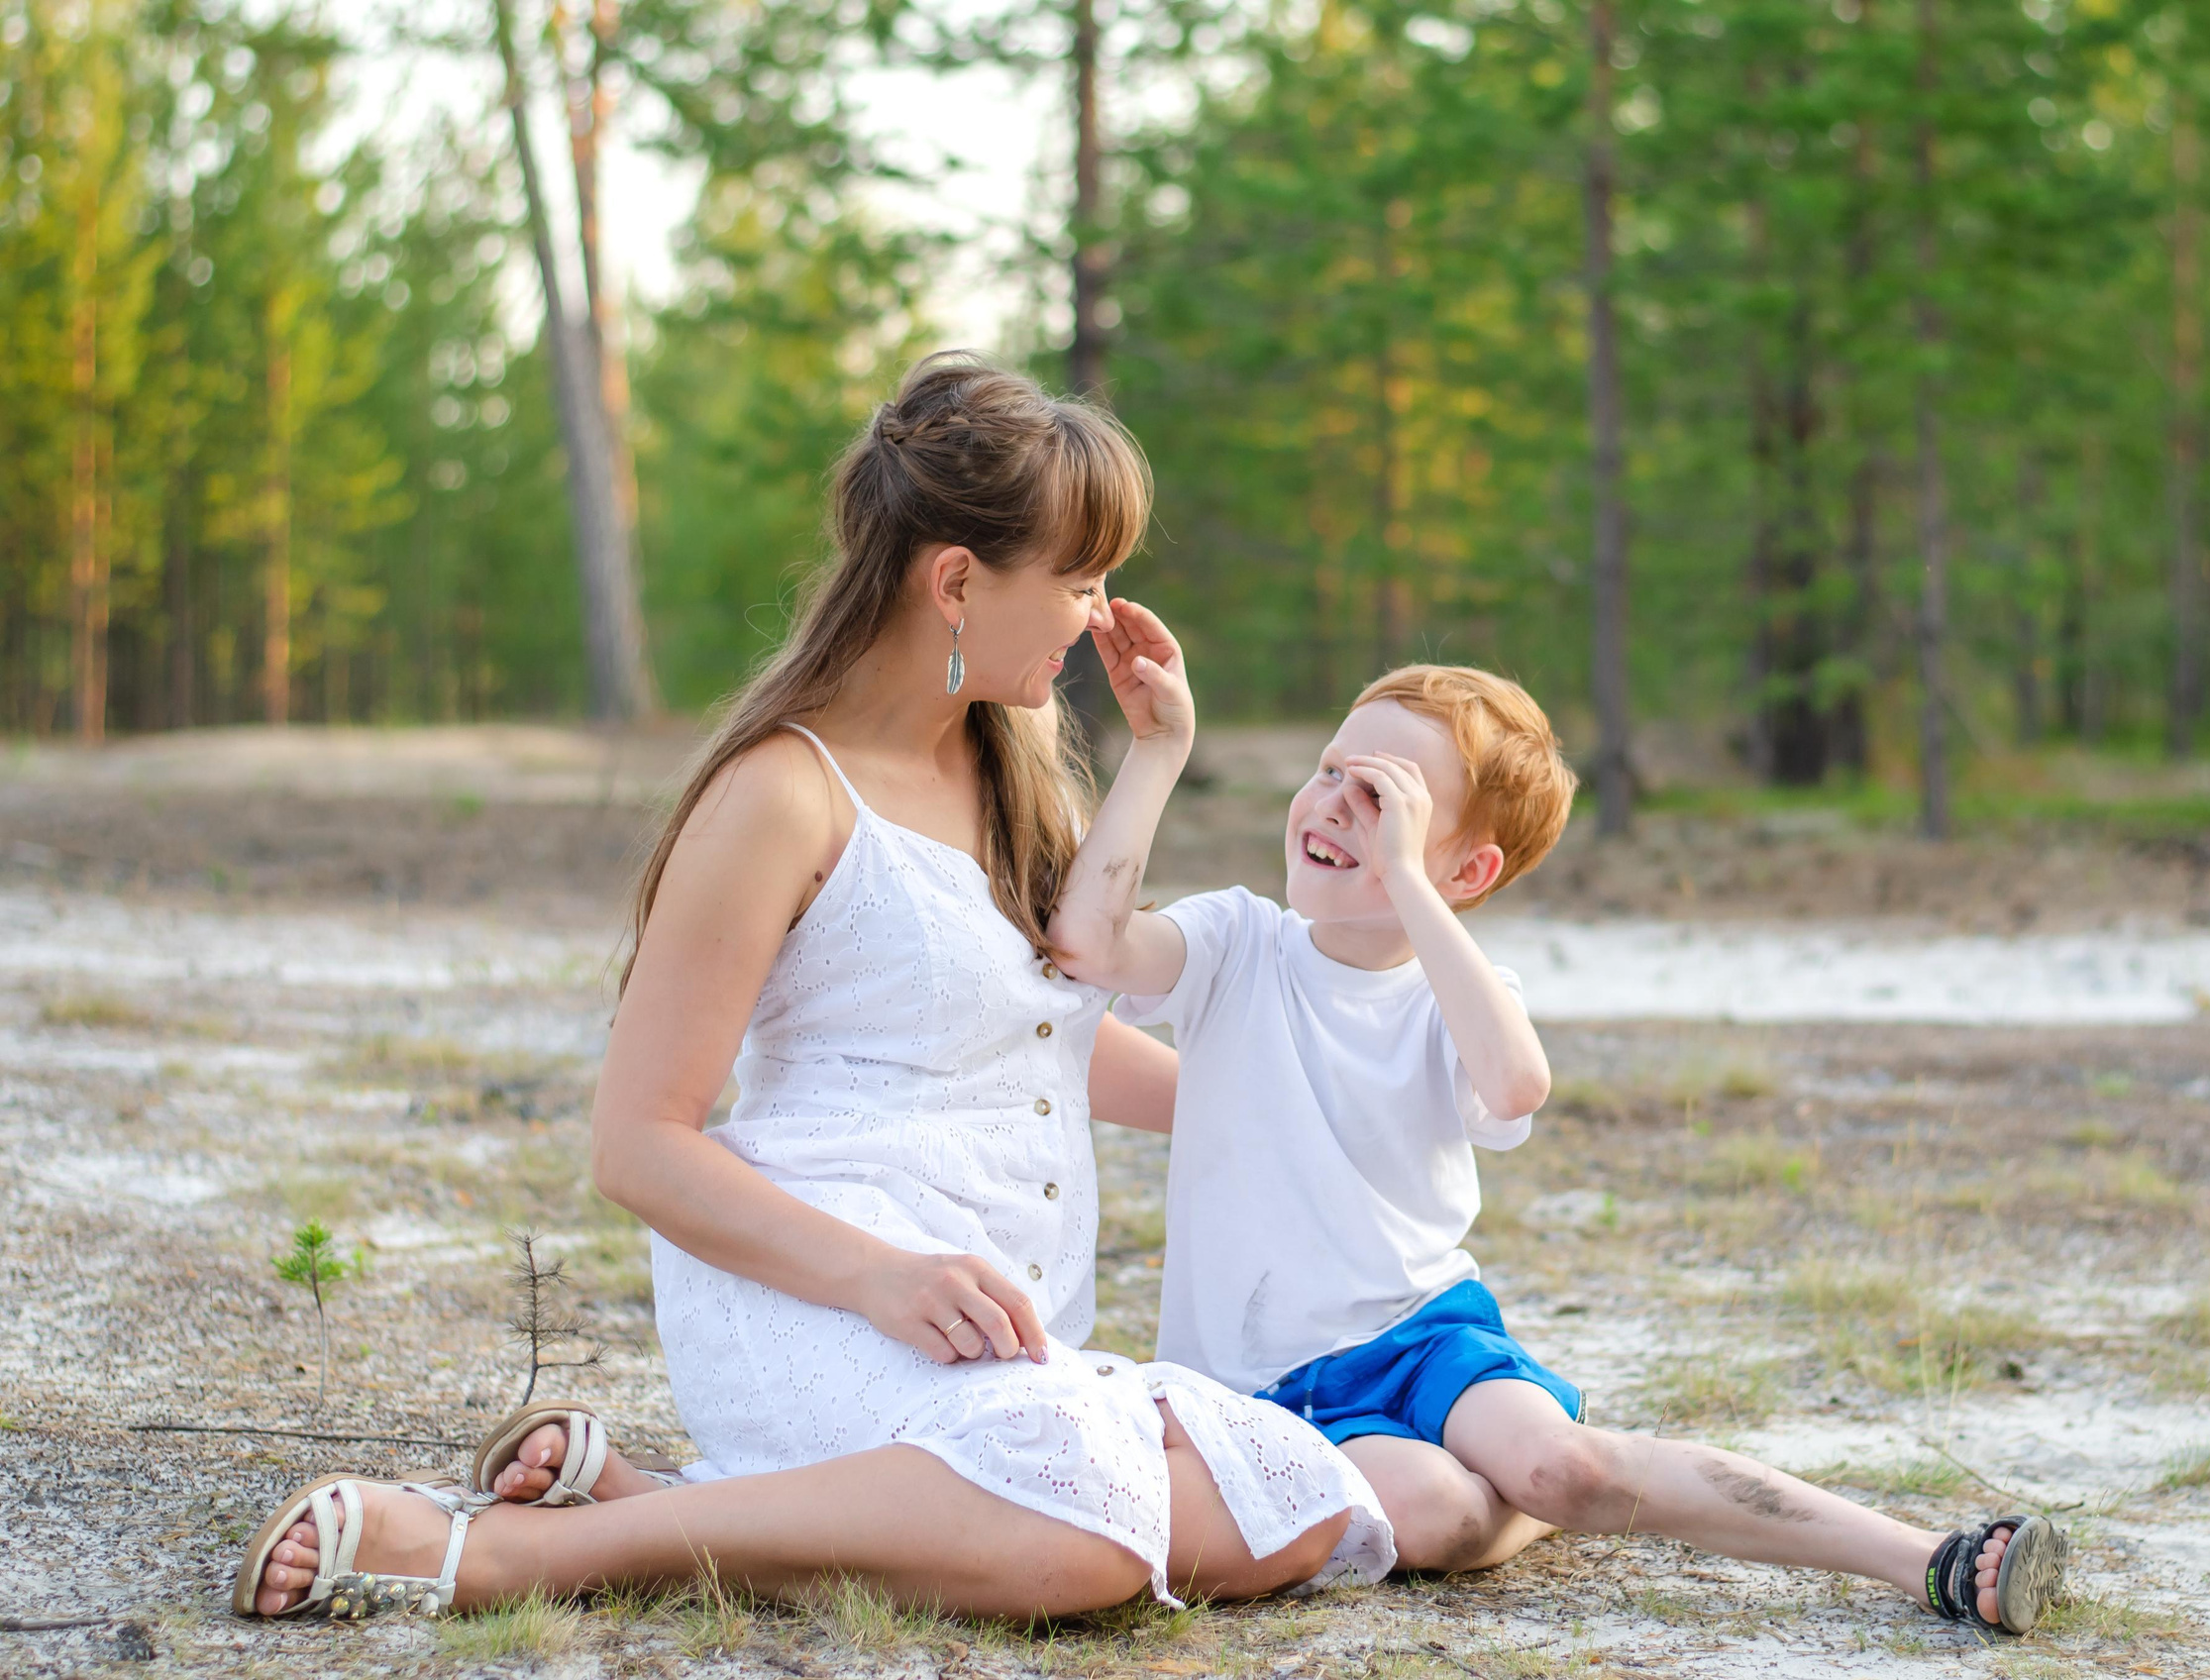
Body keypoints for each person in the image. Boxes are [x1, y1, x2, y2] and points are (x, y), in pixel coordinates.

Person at [232, 354, 1391, 1625]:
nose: (1097, 616)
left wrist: (1277, 1107)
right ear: (955, 580)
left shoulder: (1020, 783)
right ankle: (500, 1554)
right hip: (819, 1293)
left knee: (1299, 1497)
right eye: (1078, 579)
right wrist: (879, 1280)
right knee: (1092, 1533)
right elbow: (639, 1145)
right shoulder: (780, 797)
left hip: (981, 1331)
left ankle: (654, 1500)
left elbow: (1046, 1042)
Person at [1045, 654, 2071, 1637]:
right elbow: (1089, 943)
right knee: (1439, 1514)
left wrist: (1405, 881)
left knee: (1567, 1469)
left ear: (1467, 867)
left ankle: (1924, 1555)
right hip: (1253, 1388)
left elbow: (1514, 1084)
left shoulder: (1459, 993)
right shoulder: (1237, 942)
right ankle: (1532, 1473)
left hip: (1419, 1335)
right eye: (1330, 774)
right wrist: (1161, 746)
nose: (1333, 808)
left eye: (1385, 801)